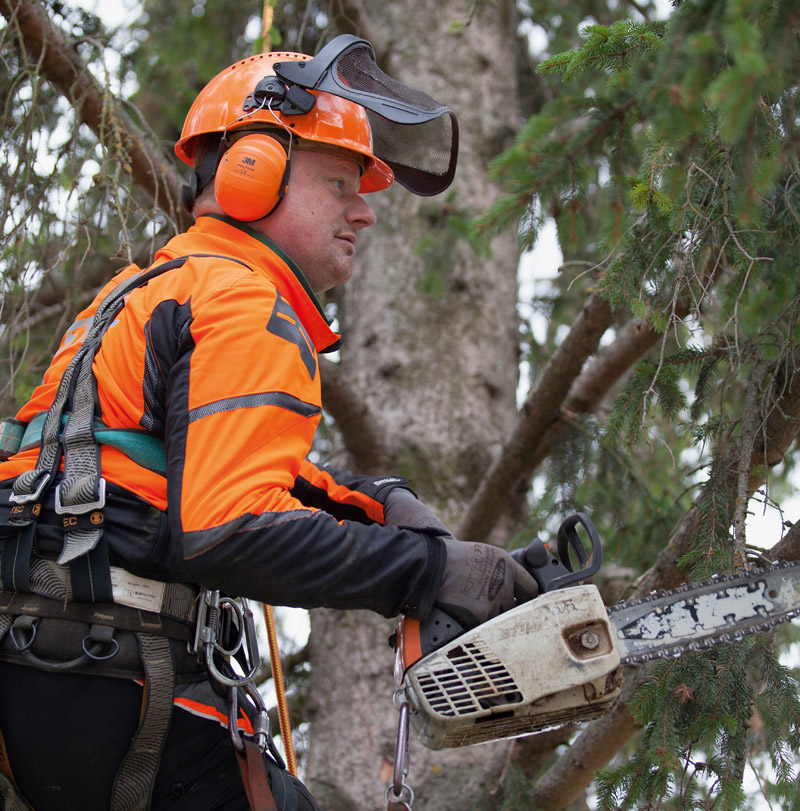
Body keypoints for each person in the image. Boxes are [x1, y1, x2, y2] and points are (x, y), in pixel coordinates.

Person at [0, 35, 537, 810]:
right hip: (125, 681)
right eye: (342, 182)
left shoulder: (150, 286)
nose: (366, 211)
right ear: (254, 170)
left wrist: (373, 503)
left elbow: (157, 465)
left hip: (44, 674)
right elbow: (228, 527)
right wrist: (426, 571)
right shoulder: (247, 302)